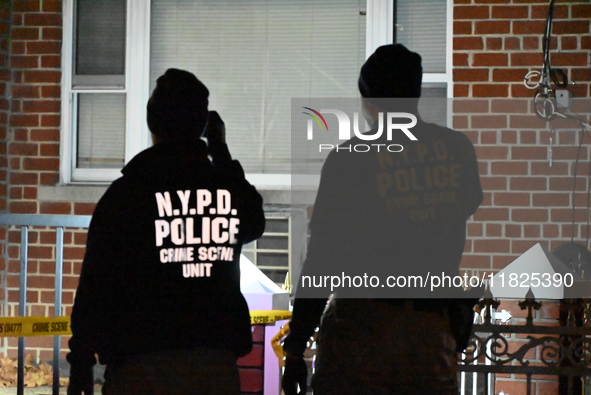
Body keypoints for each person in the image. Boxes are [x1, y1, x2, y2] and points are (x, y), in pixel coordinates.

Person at [282, 44, 483, 394]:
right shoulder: (457, 149)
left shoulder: (349, 160)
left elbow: (322, 259)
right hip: (430, 332)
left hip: (362, 331)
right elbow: (465, 206)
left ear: (368, 100)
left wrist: (296, 346)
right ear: (416, 94)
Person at [67, 68, 265, 395]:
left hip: (140, 365)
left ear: (151, 122)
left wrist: (81, 362)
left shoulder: (129, 193)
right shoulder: (225, 189)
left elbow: (96, 283)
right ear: (202, 124)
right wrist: (221, 153)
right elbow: (254, 222)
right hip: (213, 365)